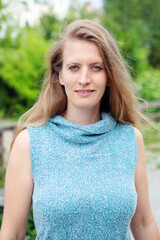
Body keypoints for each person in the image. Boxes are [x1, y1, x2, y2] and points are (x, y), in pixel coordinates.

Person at [0, 19, 159, 240]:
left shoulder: (130, 139)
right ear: (60, 75)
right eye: (74, 67)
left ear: (109, 75)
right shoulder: (29, 143)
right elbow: (13, 233)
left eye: (96, 67)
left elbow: (143, 224)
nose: (85, 79)